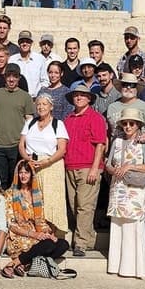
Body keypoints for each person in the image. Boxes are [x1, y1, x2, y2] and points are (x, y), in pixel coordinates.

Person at [105, 108, 145, 279]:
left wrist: (129, 166)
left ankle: (133, 267)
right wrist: (114, 170)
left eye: (131, 123)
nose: (127, 126)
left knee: (132, 227)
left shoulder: (144, 142)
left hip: (135, 190)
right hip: (118, 189)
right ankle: (116, 265)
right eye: (125, 123)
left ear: (138, 125)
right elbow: (108, 163)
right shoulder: (117, 141)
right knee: (118, 226)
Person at [2, 160, 70, 278]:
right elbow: (11, 225)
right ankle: (14, 263)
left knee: (63, 244)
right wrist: (33, 234)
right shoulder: (9, 194)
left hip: (37, 233)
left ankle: (24, 263)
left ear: (31, 174)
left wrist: (48, 233)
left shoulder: (37, 193)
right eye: (21, 172)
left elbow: (42, 220)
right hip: (20, 235)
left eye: (26, 172)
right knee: (48, 245)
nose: (23, 176)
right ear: (16, 174)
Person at [63, 84, 108, 256]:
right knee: (75, 206)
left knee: (85, 206)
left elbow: (100, 144)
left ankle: (80, 243)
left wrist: (95, 168)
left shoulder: (95, 118)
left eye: (82, 95)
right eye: (76, 95)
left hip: (88, 166)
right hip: (70, 166)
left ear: (89, 98)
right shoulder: (68, 119)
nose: (79, 98)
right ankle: (88, 238)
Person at [18, 94, 69, 238]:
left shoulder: (58, 124)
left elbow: (62, 149)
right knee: (34, 199)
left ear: (51, 107)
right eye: (39, 104)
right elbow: (21, 144)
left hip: (51, 165)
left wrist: (48, 161)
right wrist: (26, 158)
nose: (41, 107)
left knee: (51, 201)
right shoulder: (30, 123)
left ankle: (52, 234)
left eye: (44, 104)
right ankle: (36, 233)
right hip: (32, 164)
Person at [0, 63, 34, 189]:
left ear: (19, 78)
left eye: (15, 76)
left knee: (16, 180)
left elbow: (29, 120)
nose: (11, 79)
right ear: (5, 77)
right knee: (0, 181)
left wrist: (25, 145)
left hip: (16, 145)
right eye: (9, 75)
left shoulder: (25, 97)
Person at [8, 30, 48, 98]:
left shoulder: (40, 59)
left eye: (27, 41)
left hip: (35, 99)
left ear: (31, 43)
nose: (25, 44)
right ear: (19, 43)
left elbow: (45, 80)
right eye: (22, 41)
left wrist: (40, 94)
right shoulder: (12, 59)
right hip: (17, 97)